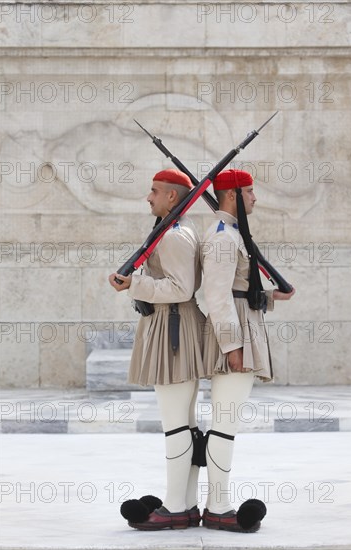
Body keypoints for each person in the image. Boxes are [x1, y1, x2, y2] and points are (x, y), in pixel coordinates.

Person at [108, 168, 206, 530]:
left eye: (155, 191)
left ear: (172, 197)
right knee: (183, 423)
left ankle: (176, 507)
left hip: (173, 329)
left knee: (176, 425)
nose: (148, 197)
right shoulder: (174, 231)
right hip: (172, 327)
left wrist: (134, 284)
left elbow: (181, 289)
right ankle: (187, 503)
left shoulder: (175, 236)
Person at [201, 169, 296, 532]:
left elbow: (241, 290)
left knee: (227, 423)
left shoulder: (234, 234)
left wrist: (272, 298)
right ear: (231, 196)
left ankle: (216, 502)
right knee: (224, 425)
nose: (255, 198)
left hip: (243, 323)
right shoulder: (224, 237)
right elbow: (217, 295)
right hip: (235, 333)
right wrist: (233, 345)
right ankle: (218, 507)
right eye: (250, 192)